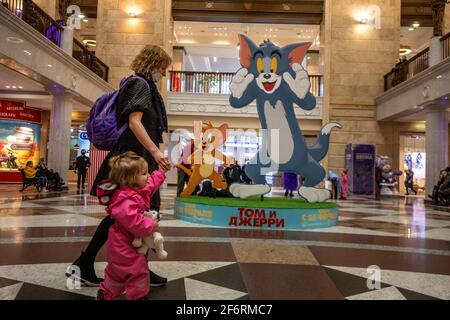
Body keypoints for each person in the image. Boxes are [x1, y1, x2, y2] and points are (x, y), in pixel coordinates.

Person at [66, 45, 172, 287]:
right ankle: (87, 263)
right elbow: (135, 122)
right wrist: (155, 152)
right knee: (126, 214)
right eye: (163, 67)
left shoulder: (139, 85)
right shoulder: (140, 85)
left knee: (132, 214)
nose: (164, 73)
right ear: (153, 63)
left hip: (136, 159)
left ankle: (134, 268)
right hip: (132, 162)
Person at [96, 152, 168, 300]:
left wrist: (161, 173)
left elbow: (150, 185)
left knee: (116, 274)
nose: (147, 176)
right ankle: (139, 296)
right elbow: (135, 223)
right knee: (138, 270)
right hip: (123, 244)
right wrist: (151, 224)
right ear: (129, 178)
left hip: (121, 244)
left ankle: (106, 293)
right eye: (143, 173)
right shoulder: (125, 201)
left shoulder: (134, 191)